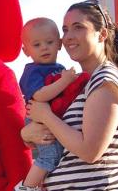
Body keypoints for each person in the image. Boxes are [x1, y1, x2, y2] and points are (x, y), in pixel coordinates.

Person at [22, 0, 118, 190]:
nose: (68, 37)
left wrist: (46, 116)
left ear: (102, 34)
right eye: (65, 30)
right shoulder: (79, 83)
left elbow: (90, 151)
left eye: (78, 27)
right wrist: (26, 134)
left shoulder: (105, 81)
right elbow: (59, 136)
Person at [16, 18, 89, 191]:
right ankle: (26, 187)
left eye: (49, 42)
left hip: (53, 121)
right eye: (37, 44)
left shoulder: (60, 67)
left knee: (58, 156)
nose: (44, 47)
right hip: (38, 121)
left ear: (59, 44)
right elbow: (40, 96)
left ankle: (42, 184)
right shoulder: (32, 71)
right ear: (26, 50)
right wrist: (65, 81)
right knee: (49, 157)